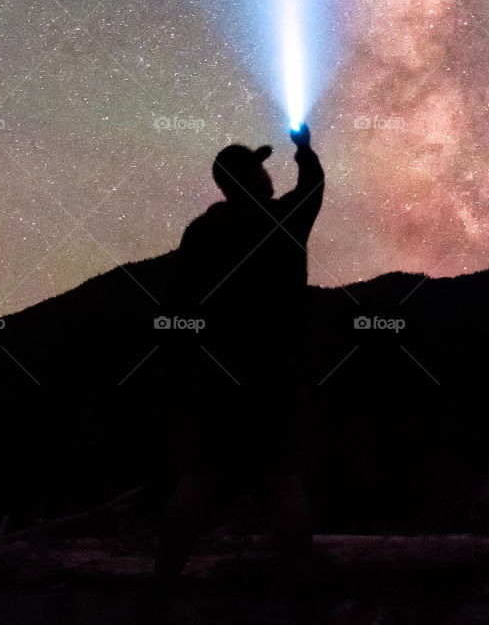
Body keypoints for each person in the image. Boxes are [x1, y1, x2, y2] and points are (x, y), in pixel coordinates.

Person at [150, 123, 324, 615]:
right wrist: (305, 151)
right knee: (281, 475)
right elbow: (313, 188)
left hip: (217, 376)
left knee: (198, 475)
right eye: (261, 168)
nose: (269, 175)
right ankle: (302, 592)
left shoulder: (201, 233)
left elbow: (177, 307)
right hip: (274, 374)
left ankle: (162, 587)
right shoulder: (284, 222)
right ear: (251, 177)